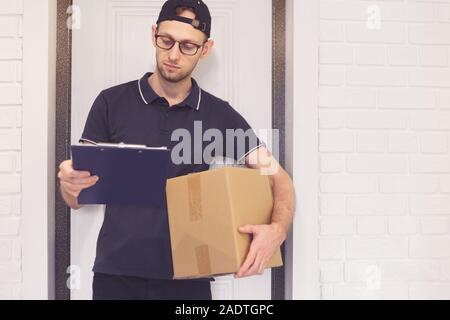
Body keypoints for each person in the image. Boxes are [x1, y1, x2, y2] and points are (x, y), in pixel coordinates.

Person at [57, 0, 296, 300]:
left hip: (189, 279)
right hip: (116, 276)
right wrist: (69, 183)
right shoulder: (111, 102)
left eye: (187, 46)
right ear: (154, 34)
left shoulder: (218, 116)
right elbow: (76, 198)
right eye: (166, 41)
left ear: (205, 49)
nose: (172, 55)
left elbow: (279, 178)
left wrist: (277, 230)